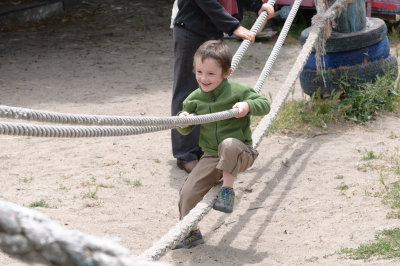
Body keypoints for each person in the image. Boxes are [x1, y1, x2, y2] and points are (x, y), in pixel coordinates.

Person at [173, 40, 270, 249]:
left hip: (241, 152)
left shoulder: (238, 89)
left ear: (226, 73)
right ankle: (191, 232)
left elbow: (265, 104)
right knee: (187, 193)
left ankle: (227, 191)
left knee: (228, 143)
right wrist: (184, 119)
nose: (203, 78)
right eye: (199, 72)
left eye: (210, 74)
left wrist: (247, 105)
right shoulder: (195, 98)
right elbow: (184, 129)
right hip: (211, 156)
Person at [171, 0, 274, 174]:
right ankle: (185, 154)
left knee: (212, 89)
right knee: (188, 90)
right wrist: (234, 26)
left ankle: (204, 148)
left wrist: (257, 5)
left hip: (212, 30)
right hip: (191, 29)